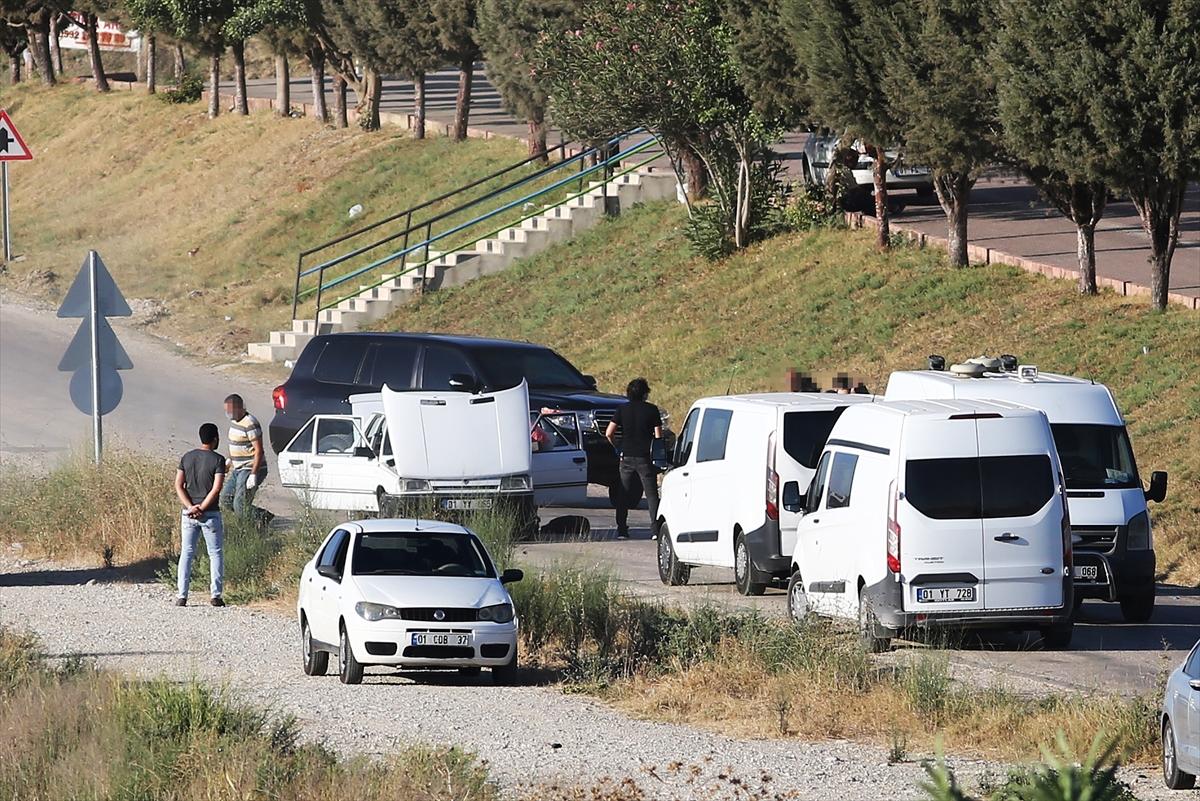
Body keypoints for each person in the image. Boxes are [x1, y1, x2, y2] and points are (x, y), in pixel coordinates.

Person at [174, 423, 227, 607]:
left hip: (188, 515)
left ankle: (182, 595)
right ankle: (215, 595)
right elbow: (216, 488)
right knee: (215, 553)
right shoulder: (218, 460)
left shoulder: (187, 458)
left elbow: (178, 485)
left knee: (187, 553)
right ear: (215, 438)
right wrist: (202, 508)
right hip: (210, 513)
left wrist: (190, 507)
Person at [605, 378, 663, 540]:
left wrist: (618, 447)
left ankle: (622, 529)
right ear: (645, 394)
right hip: (645, 457)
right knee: (651, 495)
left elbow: (609, 432)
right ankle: (655, 530)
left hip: (626, 456)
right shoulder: (652, 410)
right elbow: (658, 436)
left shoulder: (622, 409)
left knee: (623, 493)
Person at [220, 393, 266, 518]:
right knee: (225, 499)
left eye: (230, 410)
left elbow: (259, 450)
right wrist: (229, 460)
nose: (228, 413)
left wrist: (253, 474)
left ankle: (260, 521)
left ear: (239, 408)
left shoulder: (250, 423)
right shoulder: (235, 422)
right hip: (238, 468)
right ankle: (260, 516)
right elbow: (235, 443)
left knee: (240, 505)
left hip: (249, 468)